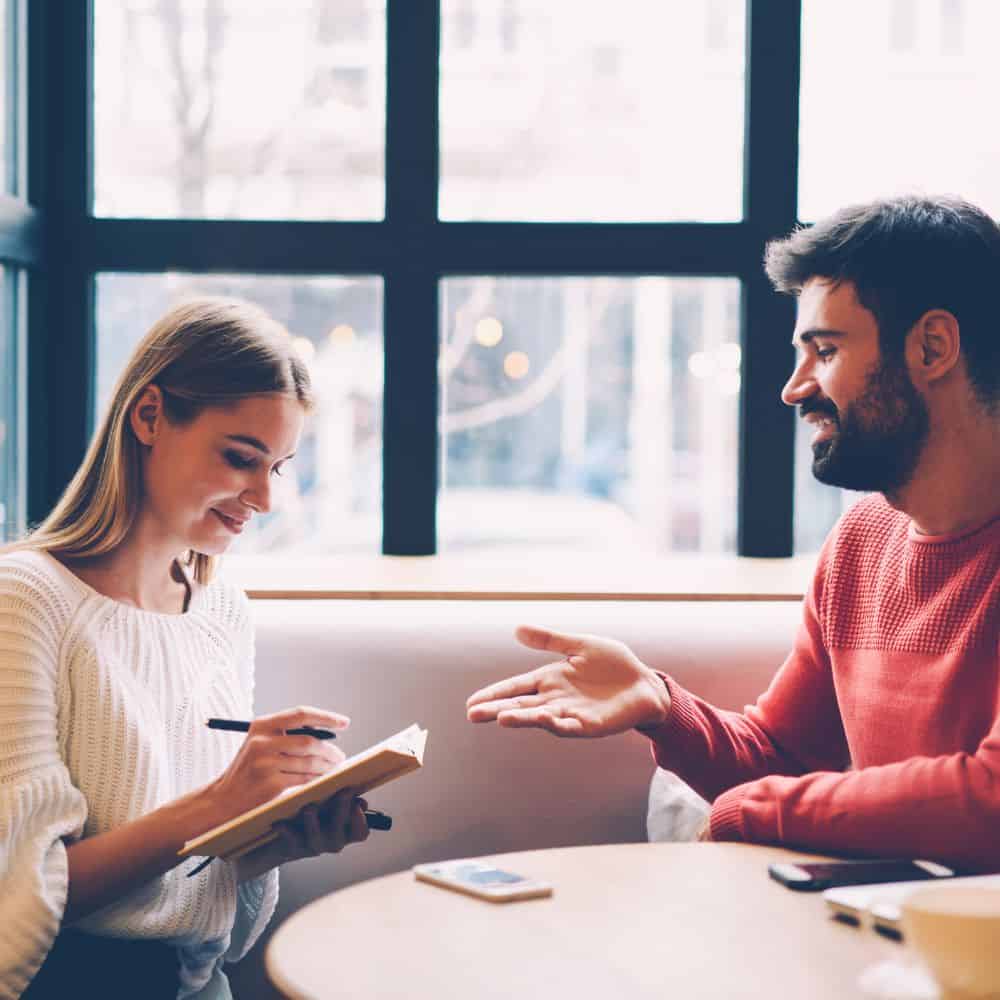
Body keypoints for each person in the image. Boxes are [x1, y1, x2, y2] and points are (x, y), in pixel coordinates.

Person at [467, 195, 1000, 872]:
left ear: (932, 347)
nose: (794, 388)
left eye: (825, 350)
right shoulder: (862, 541)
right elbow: (782, 758)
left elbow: (990, 799)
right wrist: (664, 708)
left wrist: (752, 814)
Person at [0, 298, 370, 999]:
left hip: (198, 983)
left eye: (280, 468)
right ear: (148, 417)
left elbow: (195, 888)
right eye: (241, 458)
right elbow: (20, 895)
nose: (262, 497)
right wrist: (221, 800)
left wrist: (271, 837)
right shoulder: (26, 599)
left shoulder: (223, 611)